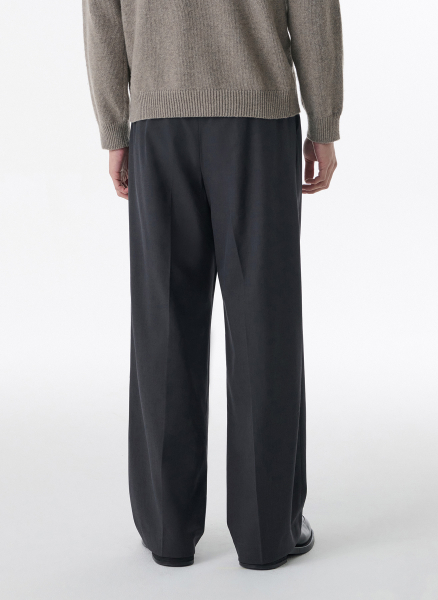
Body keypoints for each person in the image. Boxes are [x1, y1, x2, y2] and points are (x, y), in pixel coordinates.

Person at [82, 0, 343, 571]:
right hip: (257, 116)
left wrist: (114, 126)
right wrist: (324, 120)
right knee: (263, 323)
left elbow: (102, 13)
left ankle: (168, 530)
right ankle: (266, 531)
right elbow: (313, 9)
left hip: (158, 120)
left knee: (164, 323)